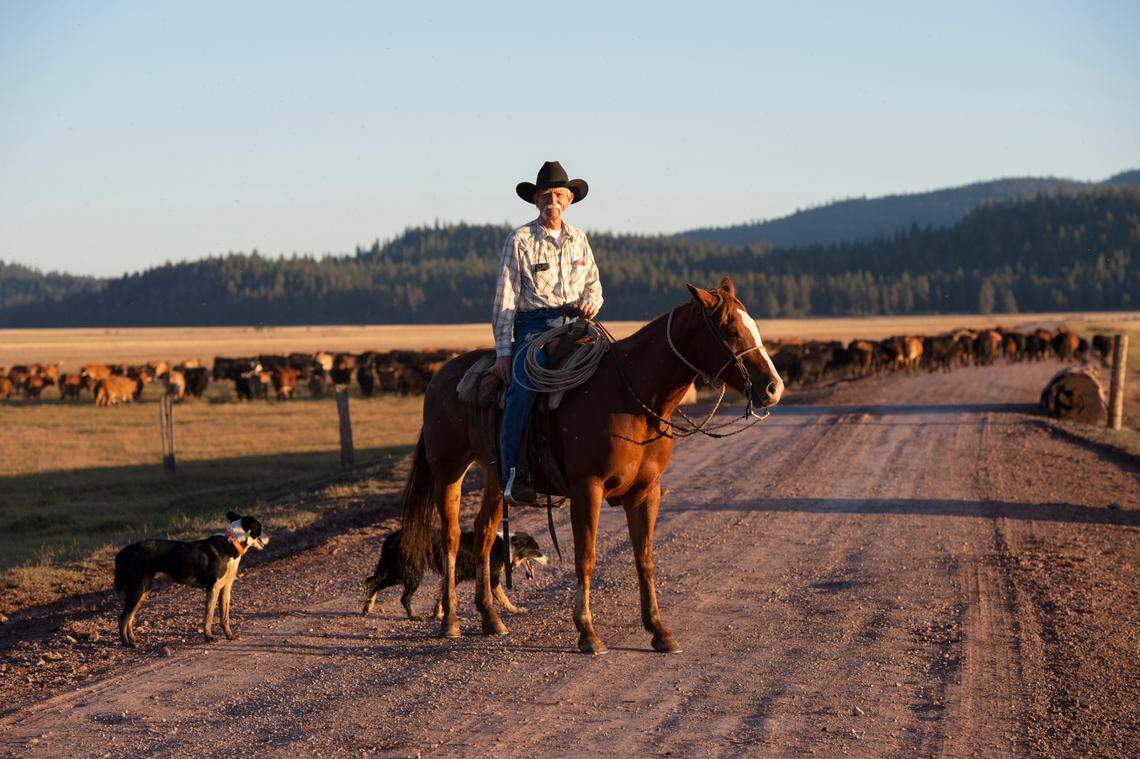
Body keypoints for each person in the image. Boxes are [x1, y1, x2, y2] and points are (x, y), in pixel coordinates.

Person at [491, 161, 603, 505]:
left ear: (568, 200)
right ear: (536, 201)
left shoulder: (579, 239)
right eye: (545, 196)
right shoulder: (520, 239)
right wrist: (504, 353)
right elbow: (505, 297)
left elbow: (594, 286)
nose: (551, 201)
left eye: (558, 195)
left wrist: (590, 304)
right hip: (534, 328)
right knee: (522, 390)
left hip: (577, 326)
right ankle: (512, 474)